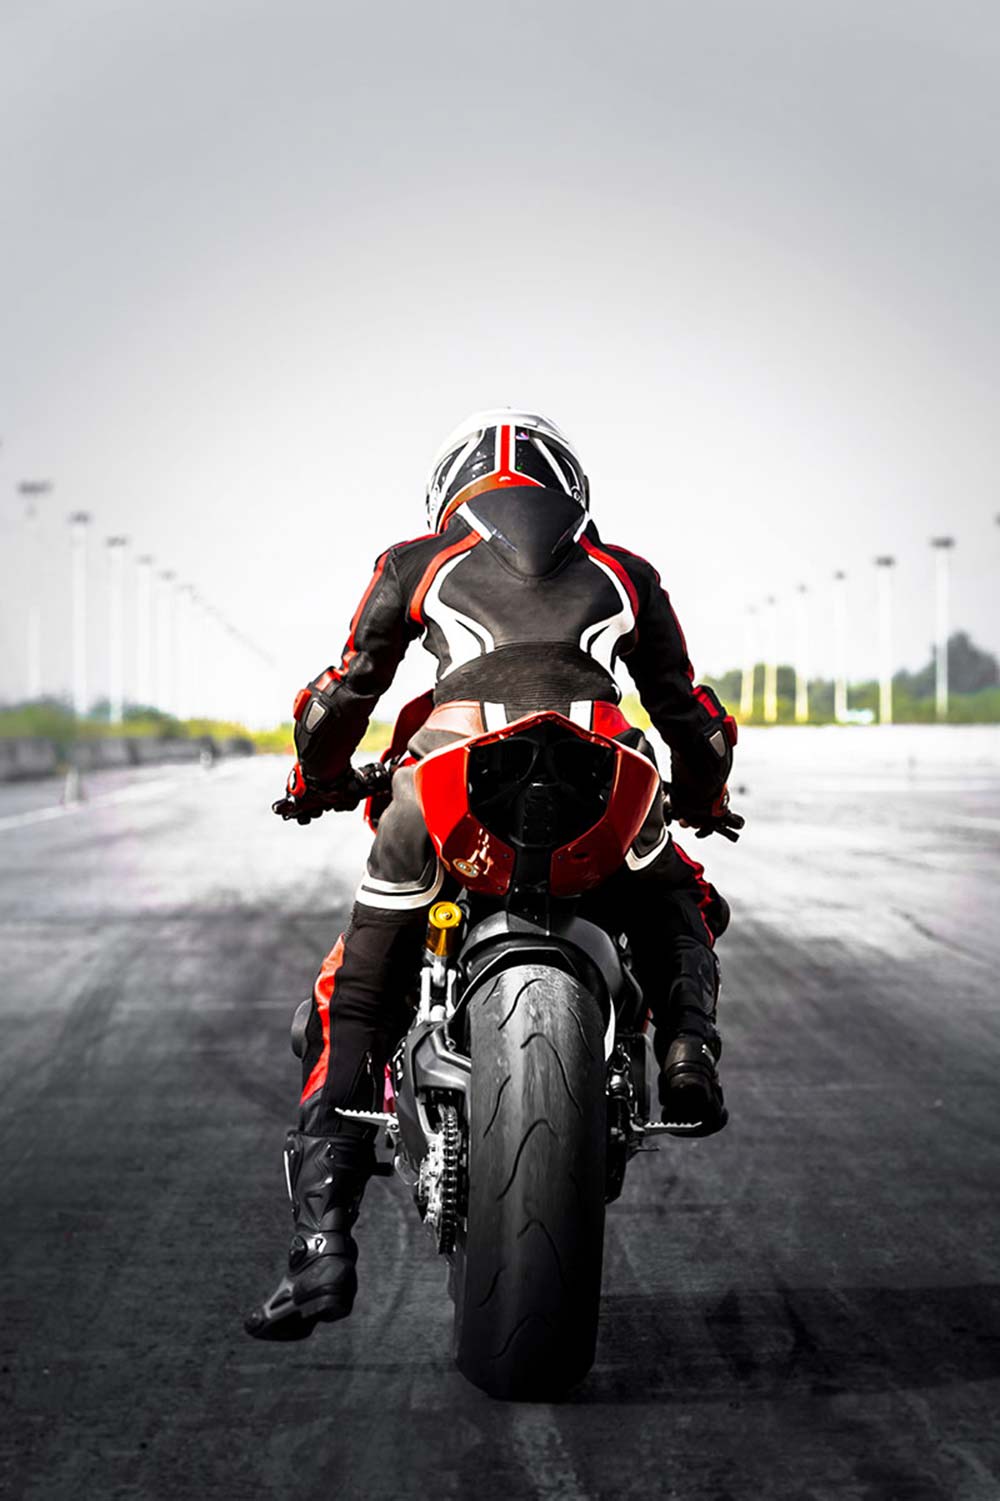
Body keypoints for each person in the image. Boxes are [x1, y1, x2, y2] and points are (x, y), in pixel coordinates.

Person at [245, 410, 738, 1341]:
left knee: (357, 991)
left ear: (450, 490)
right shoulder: (626, 571)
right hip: (603, 773)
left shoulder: (416, 561)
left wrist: (315, 781)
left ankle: (321, 1243)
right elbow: (691, 717)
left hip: (446, 777)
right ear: (570, 487)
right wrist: (707, 799)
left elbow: (344, 691)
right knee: (677, 894)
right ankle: (688, 1050)